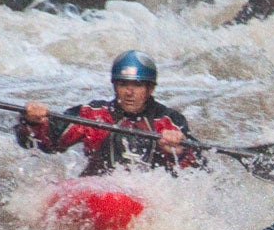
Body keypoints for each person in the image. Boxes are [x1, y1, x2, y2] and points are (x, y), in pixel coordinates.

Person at [18, 50, 200, 175]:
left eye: (137, 85)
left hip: (148, 195)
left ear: (150, 88)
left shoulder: (170, 120)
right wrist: (34, 122)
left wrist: (180, 150)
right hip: (99, 190)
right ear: (115, 86)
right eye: (123, 84)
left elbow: (199, 167)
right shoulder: (93, 114)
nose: (129, 92)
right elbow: (47, 143)